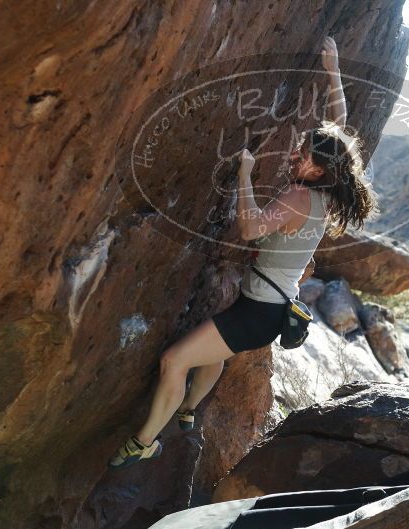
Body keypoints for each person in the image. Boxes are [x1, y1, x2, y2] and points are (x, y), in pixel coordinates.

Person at [108, 37, 378, 468]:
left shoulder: (297, 197)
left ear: (319, 168)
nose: (295, 155)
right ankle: (189, 410)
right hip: (268, 312)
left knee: (174, 361)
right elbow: (339, 125)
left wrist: (246, 175)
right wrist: (333, 70)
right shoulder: (327, 194)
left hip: (256, 314)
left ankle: (144, 441)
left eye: (303, 154)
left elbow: (251, 228)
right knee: (216, 353)